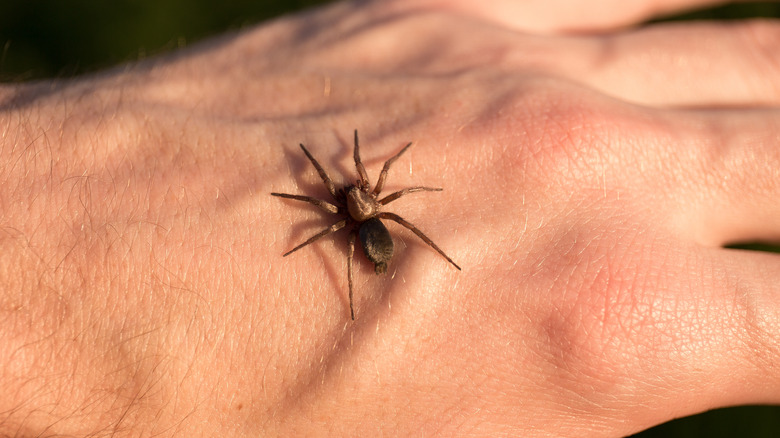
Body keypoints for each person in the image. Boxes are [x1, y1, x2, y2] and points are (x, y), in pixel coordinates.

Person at [1, 0, 778, 435]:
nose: (352, 184)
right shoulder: (344, 212)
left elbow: (354, 197)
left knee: (386, 225)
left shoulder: (354, 203)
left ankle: (423, 253)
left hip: (377, 236)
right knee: (368, 229)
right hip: (368, 239)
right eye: (353, 182)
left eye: (358, 180)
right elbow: (329, 211)